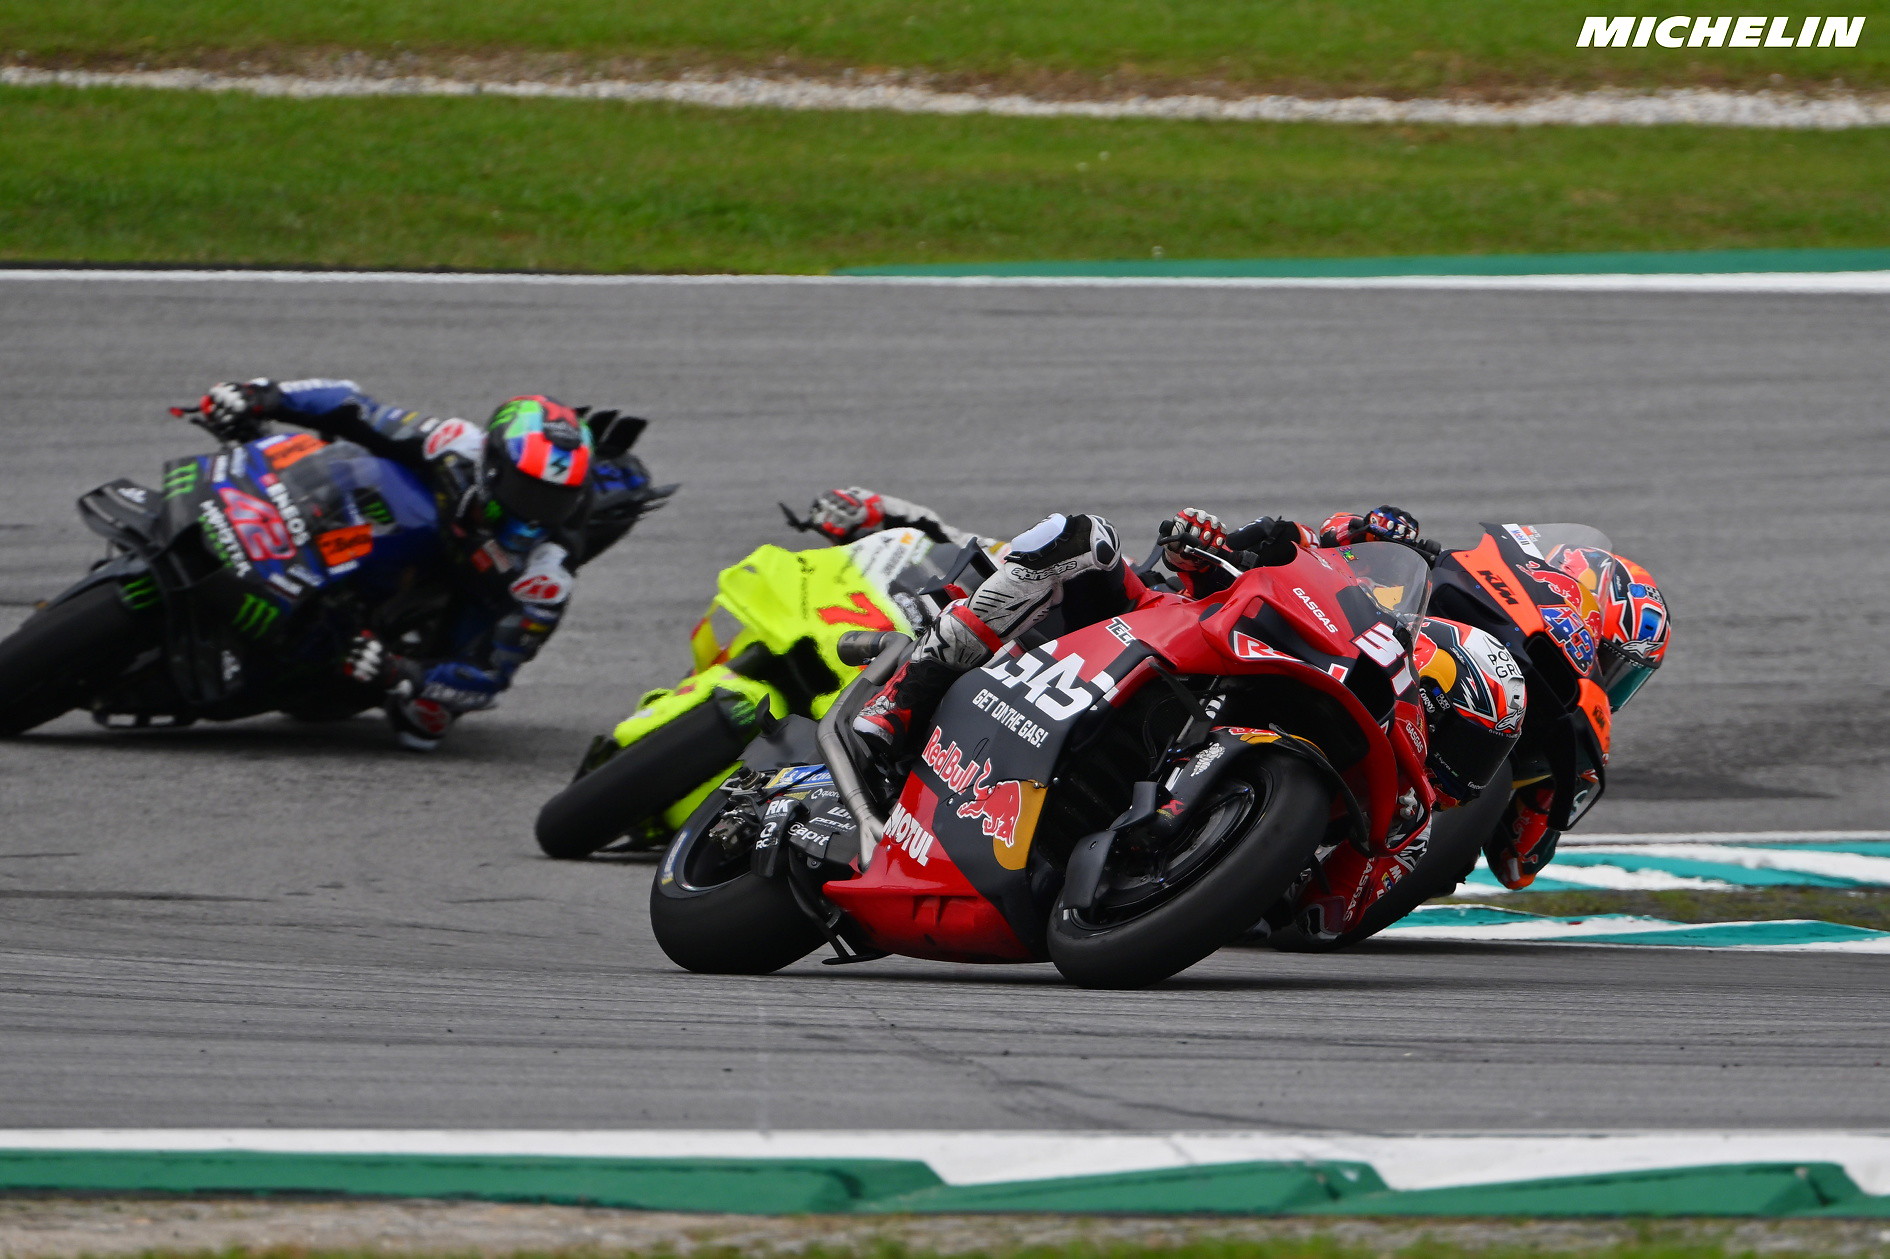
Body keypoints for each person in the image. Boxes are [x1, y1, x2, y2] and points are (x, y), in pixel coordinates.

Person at [190, 378, 659, 750]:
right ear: (493, 465)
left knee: (423, 727)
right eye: (528, 492)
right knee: (354, 461)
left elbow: (490, 677)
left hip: (472, 597)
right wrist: (264, 396)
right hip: (409, 538)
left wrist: (401, 672)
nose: (537, 513)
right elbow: (355, 407)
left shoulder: (545, 575)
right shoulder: (455, 445)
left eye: (555, 501)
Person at [1482, 542, 1672, 888]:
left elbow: (1517, 868)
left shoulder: (1578, 754)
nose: (1601, 678)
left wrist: (1562, 781)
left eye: (1619, 674)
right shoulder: (1484, 591)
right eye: (1600, 659)